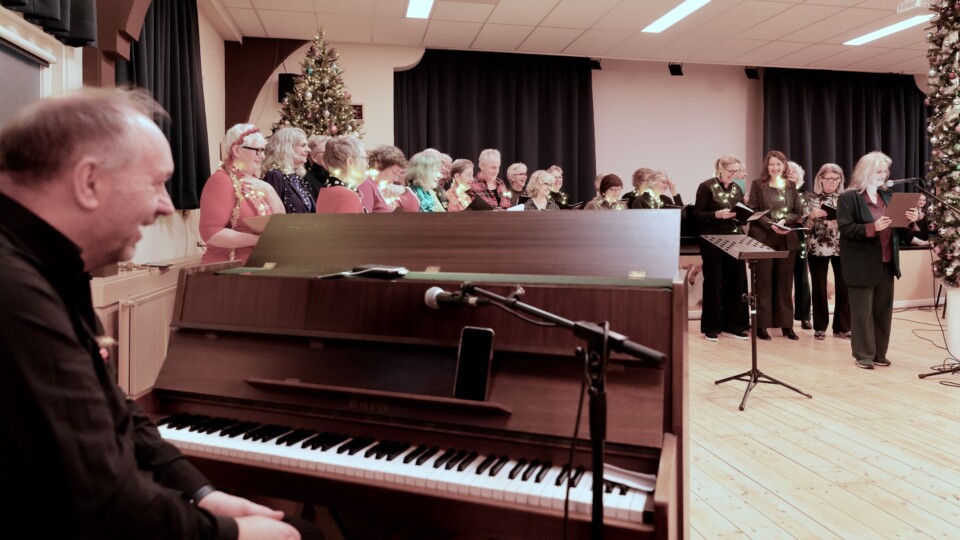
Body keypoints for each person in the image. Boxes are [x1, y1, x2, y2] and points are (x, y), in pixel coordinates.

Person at [0, 89, 302, 538]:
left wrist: (202, 492)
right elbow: (101, 503)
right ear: (88, 182)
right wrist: (230, 533)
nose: (165, 204)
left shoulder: (51, 264)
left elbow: (112, 408)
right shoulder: (16, 292)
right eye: (155, 183)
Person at [838, 151, 921, 369]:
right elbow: (845, 229)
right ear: (865, 171)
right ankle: (863, 354)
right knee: (862, 312)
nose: (883, 175)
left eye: (885, 171)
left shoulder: (888, 196)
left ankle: (879, 353)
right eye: (878, 171)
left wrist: (910, 220)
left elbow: (900, 231)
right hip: (860, 263)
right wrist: (872, 227)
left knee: (882, 310)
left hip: (886, 261)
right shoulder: (848, 198)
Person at [199, 123, 285, 264]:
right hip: (231, 268)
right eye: (257, 150)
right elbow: (211, 233)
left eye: (263, 150)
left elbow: (282, 223)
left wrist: (269, 190)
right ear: (237, 150)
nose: (262, 156)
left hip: (260, 266)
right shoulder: (221, 181)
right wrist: (258, 240)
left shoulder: (256, 182)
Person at [748, 150, 805, 341]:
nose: (775, 167)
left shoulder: (790, 185)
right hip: (764, 237)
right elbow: (754, 210)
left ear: (784, 166)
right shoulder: (758, 184)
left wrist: (784, 222)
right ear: (767, 166)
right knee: (763, 283)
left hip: (786, 238)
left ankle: (786, 325)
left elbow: (797, 210)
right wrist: (771, 224)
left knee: (785, 283)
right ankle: (762, 325)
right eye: (772, 164)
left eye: (779, 164)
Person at [693, 155, 749, 342]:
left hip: (734, 238)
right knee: (714, 281)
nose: (733, 174)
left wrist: (745, 216)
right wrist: (717, 214)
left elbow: (741, 212)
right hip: (712, 239)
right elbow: (697, 215)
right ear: (720, 169)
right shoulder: (706, 186)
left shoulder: (737, 188)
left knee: (736, 281)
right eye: (730, 171)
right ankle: (711, 327)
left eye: (736, 171)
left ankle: (733, 325)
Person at [804, 163, 851, 340]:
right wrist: (811, 216)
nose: (833, 182)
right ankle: (820, 326)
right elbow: (803, 226)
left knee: (844, 286)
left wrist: (842, 221)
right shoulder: (810, 198)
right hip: (817, 246)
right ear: (821, 179)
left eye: (836, 179)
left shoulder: (846, 198)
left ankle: (842, 326)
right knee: (819, 286)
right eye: (829, 178)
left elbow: (854, 222)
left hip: (842, 246)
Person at [786, 161, 813, 330]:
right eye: (787, 172)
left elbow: (810, 217)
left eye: (793, 172)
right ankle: (783, 317)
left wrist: (805, 218)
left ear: (799, 176)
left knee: (802, 278)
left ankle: (804, 316)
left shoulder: (807, 195)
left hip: (801, 238)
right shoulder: (778, 192)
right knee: (784, 280)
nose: (790, 174)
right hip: (783, 238)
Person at [262, 127, 314, 214]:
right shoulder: (275, 175)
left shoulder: (295, 176)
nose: (309, 150)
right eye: (303, 145)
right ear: (287, 148)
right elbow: (273, 214)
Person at [315, 136, 366, 213]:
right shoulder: (346, 194)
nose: (366, 164)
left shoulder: (327, 189)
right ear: (350, 162)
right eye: (365, 159)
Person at [357, 144, 405, 213]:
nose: (396, 179)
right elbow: (365, 217)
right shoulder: (366, 184)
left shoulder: (382, 188)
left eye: (398, 174)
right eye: (394, 172)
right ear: (379, 165)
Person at [303, 134, 330, 201]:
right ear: (313, 157)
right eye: (326, 152)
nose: (332, 156)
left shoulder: (336, 176)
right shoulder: (306, 179)